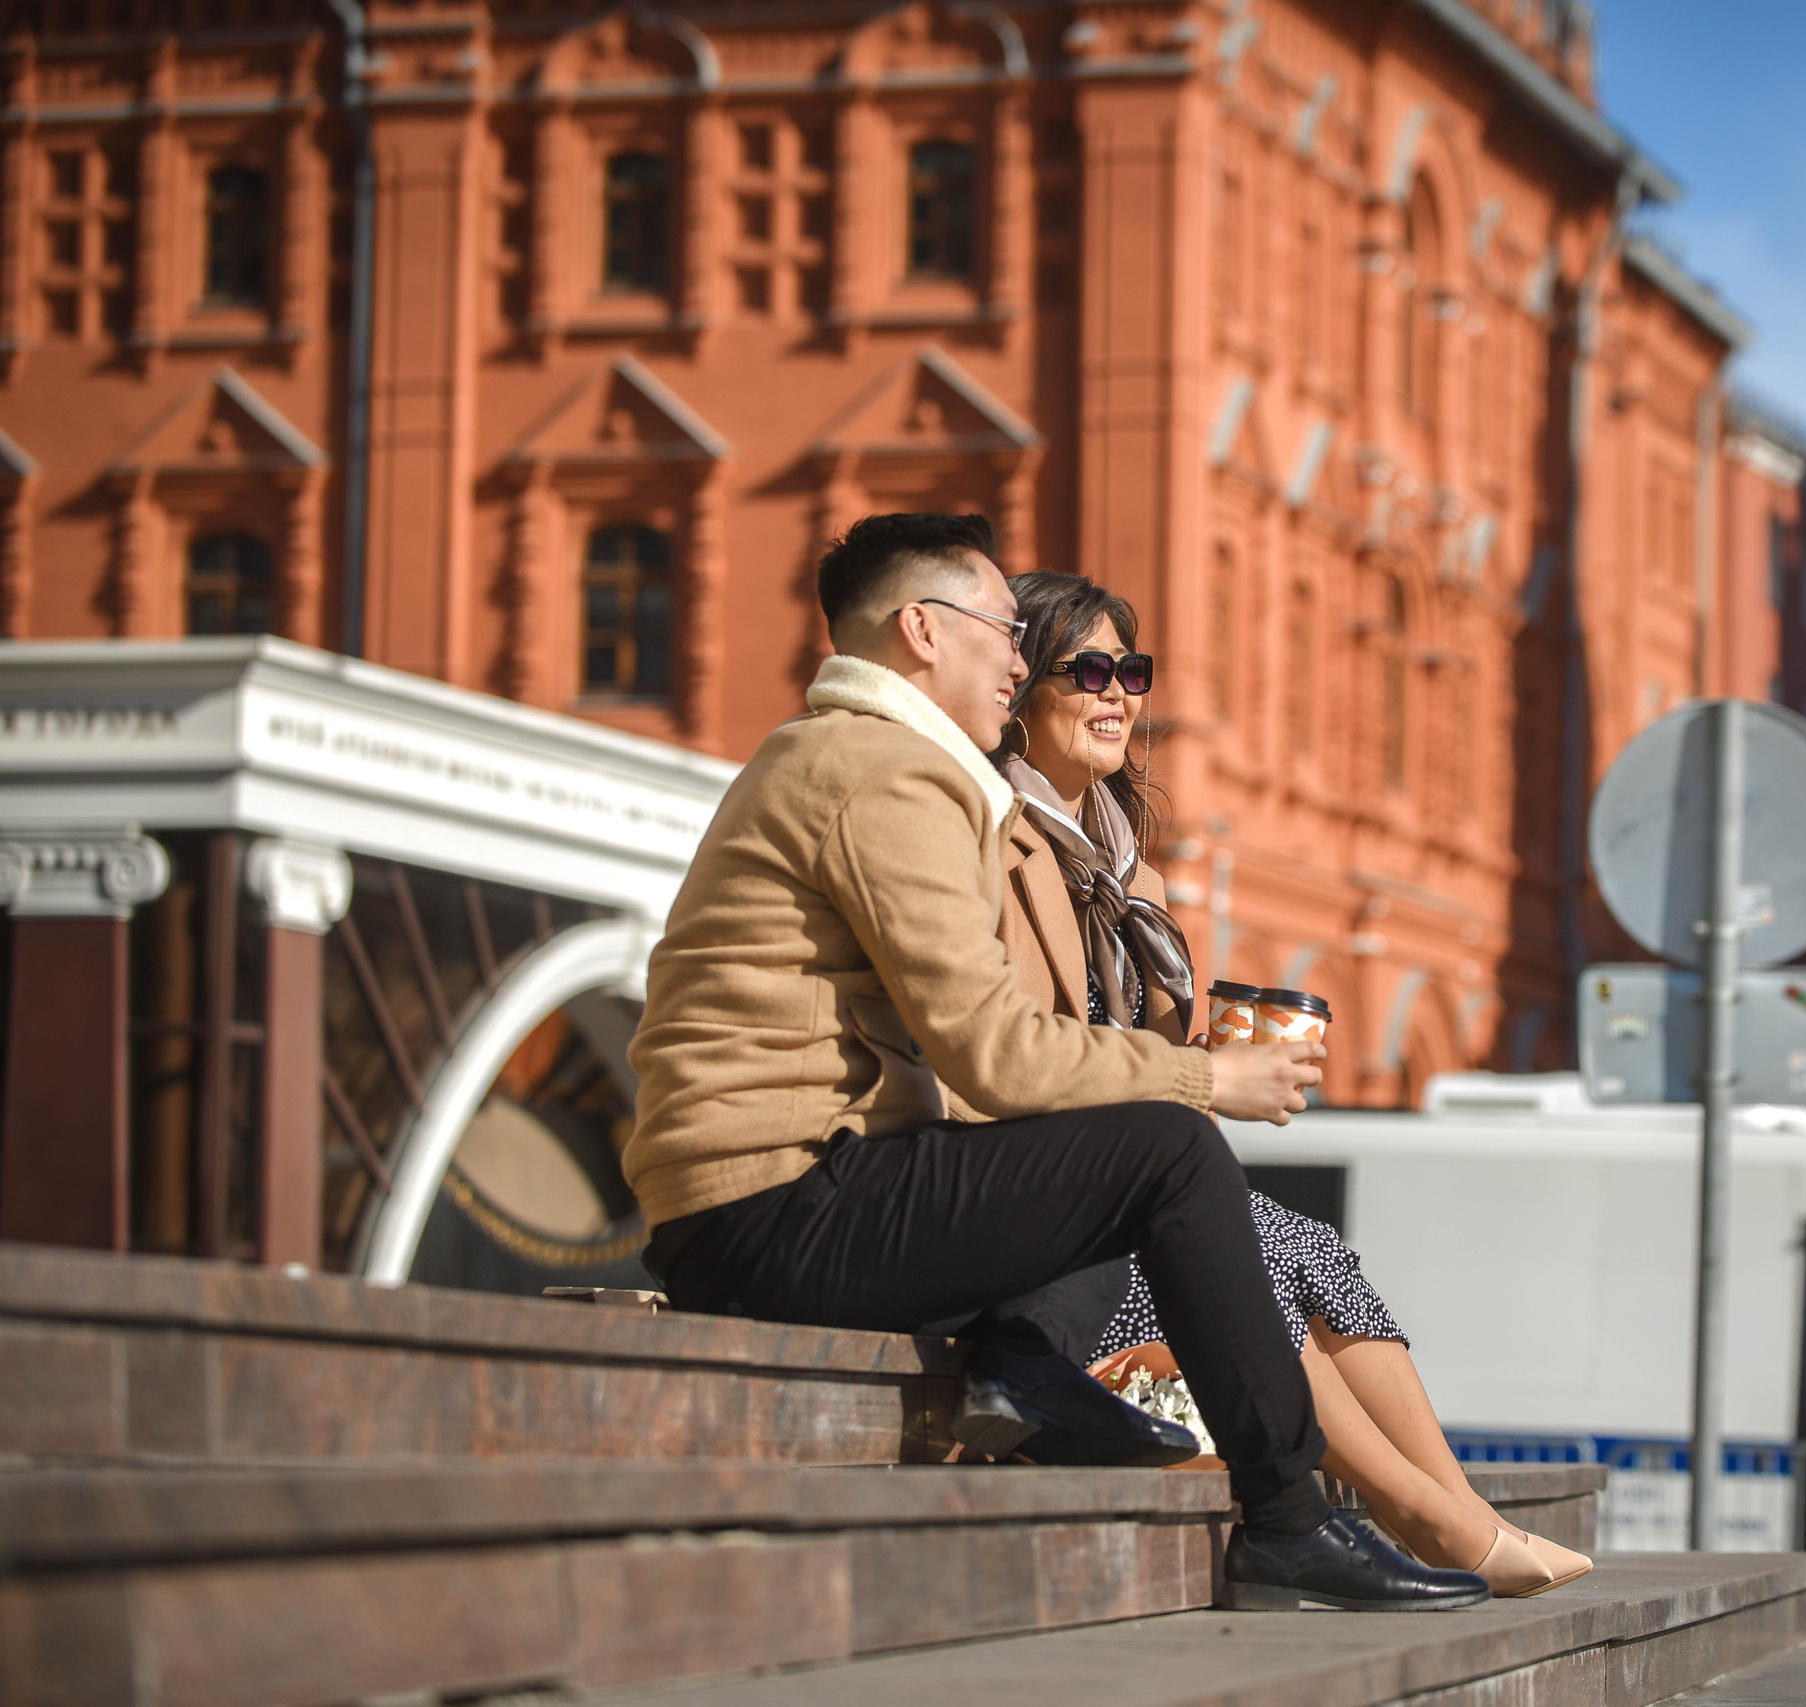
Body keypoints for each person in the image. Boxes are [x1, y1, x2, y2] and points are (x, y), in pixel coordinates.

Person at [622, 512, 1486, 1612]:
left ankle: (1027, 1370)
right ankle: (1286, 1518)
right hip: (774, 1208)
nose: (1016, 660)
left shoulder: (852, 757)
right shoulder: (884, 771)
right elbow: (991, 1049)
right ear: (923, 631)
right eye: (1004, 632)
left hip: (782, 1193)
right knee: (1170, 1152)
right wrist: (1205, 1080)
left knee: (1117, 1160)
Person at [990, 569, 1593, 1599]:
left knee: (1309, 1244)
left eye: (1131, 672)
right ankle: (1428, 1519)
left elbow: (1137, 1054)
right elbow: (1009, 1054)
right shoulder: (992, 839)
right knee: (1250, 1250)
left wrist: (1214, 1051)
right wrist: (1202, 1075)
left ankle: (1461, 1505)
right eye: (1086, 671)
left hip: (1120, 1187)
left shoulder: (1131, 876)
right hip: (1040, 1217)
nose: (1117, 695)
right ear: (1017, 693)